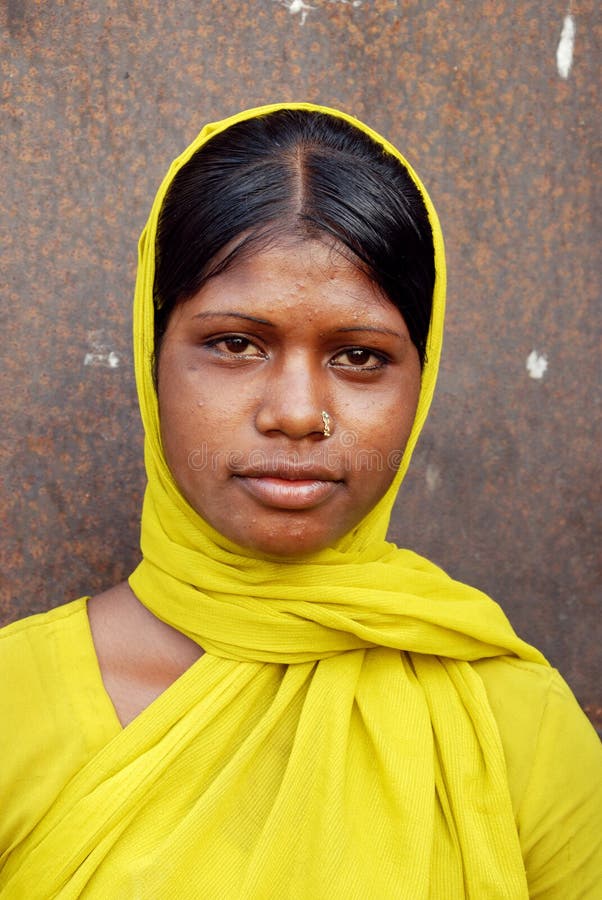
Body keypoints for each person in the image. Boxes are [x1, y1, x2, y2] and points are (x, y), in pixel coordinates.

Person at [0, 102, 600, 899]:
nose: (296, 411)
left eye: (360, 356)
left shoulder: (515, 723)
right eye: (235, 344)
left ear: (421, 379)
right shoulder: (15, 705)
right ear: (152, 361)